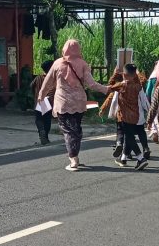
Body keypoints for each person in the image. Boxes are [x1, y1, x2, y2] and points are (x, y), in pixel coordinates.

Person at [37, 39, 109, 171]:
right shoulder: (83, 64)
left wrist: (41, 96)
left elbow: (47, 82)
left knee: (68, 130)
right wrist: (107, 89)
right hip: (79, 102)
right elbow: (91, 84)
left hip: (63, 103)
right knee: (76, 129)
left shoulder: (57, 63)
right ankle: (75, 154)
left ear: (64, 49)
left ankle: (73, 159)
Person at [105, 63, 149, 169]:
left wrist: (115, 74)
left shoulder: (122, 85)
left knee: (129, 138)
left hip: (124, 116)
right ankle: (124, 158)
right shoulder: (138, 86)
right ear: (135, 75)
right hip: (135, 116)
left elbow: (109, 86)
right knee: (129, 136)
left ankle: (140, 158)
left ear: (124, 74)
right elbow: (141, 80)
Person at [31, 59, 55, 145]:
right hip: (48, 100)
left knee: (39, 119)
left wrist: (36, 94)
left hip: (40, 99)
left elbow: (31, 86)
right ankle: (45, 136)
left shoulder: (38, 77)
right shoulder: (53, 79)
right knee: (46, 119)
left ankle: (42, 132)